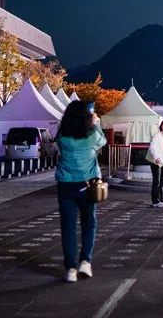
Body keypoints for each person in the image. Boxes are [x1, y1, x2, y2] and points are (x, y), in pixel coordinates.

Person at [55, 100, 107, 283]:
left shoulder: (62, 137)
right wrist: (95, 123)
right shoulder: (91, 136)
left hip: (66, 185)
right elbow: (103, 141)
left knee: (68, 227)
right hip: (87, 185)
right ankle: (85, 261)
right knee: (89, 223)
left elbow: (60, 142)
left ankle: (70, 268)